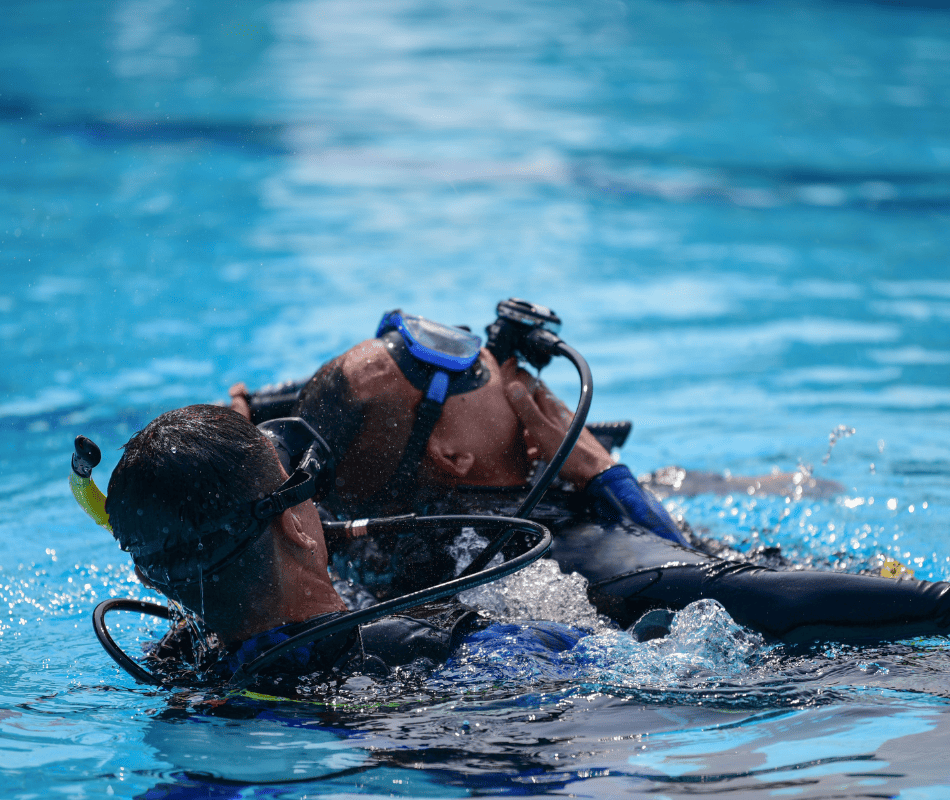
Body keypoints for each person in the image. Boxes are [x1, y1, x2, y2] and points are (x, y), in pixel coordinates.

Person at [230, 315, 950, 645]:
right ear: (453, 459)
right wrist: (611, 481)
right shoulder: (574, 557)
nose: (492, 356)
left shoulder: (368, 539)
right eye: (469, 369)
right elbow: (726, 590)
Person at [102, 404, 581, 690]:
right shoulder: (449, 649)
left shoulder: (184, 669)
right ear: (294, 523)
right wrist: (606, 477)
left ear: (148, 577)